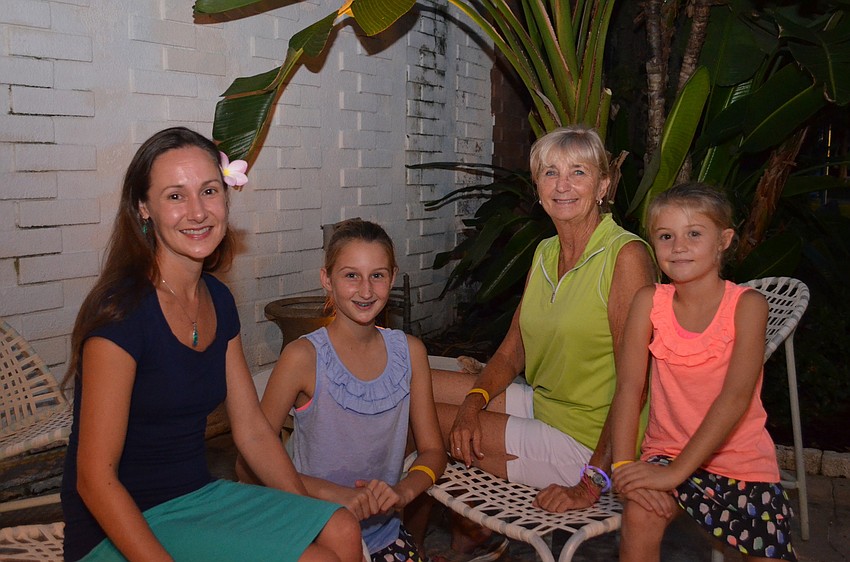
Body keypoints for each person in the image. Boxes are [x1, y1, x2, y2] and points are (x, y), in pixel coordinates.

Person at [60, 127, 363, 562]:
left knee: (341, 527)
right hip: (117, 522)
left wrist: (304, 515)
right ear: (144, 208)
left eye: (208, 191)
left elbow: (252, 430)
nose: (198, 212)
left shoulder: (217, 299)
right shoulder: (122, 313)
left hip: (194, 496)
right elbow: (94, 479)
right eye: (175, 196)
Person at [430, 125, 656, 558]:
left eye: (578, 172)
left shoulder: (625, 257)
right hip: (546, 403)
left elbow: (638, 382)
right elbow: (512, 351)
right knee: (411, 384)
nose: (563, 185)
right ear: (537, 187)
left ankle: (448, 539)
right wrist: (473, 403)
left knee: (415, 417)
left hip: (590, 439)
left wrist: (592, 481)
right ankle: (466, 535)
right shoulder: (546, 252)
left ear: (603, 186)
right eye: (551, 173)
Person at [237, 218, 446, 562]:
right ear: (327, 279)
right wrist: (333, 493)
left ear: (393, 277)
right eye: (351, 275)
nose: (366, 291)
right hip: (313, 536)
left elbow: (433, 451)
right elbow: (247, 466)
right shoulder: (303, 358)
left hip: (385, 536)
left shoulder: (410, 352)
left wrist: (403, 492)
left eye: (377, 275)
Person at [611, 183, 796, 561]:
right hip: (667, 454)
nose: (679, 246)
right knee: (640, 515)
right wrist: (624, 468)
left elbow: (735, 398)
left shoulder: (748, 306)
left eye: (694, 234)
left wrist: (676, 473)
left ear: (723, 241)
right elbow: (629, 388)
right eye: (666, 236)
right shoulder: (649, 302)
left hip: (739, 461)